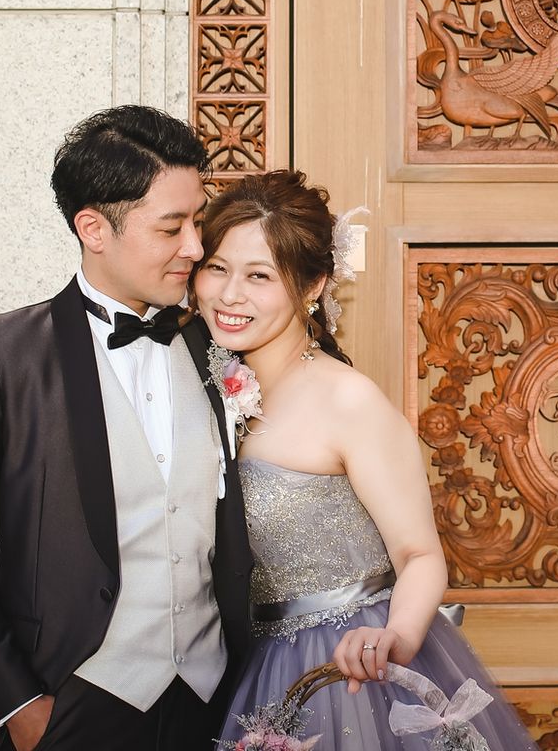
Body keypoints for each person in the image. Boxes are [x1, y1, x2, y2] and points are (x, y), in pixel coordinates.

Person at [0, 106, 253, 751]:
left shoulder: (218, 347)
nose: (194, 247)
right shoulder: (3, 354)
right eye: (171, 227)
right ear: (94, 228)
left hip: (208, 700)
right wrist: (17, 703)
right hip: (66, 698)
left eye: (198, 222)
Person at [196, 170, 536, 748]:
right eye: (217, 268)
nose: (229, 295)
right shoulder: (205, 383)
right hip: (249, 661)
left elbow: (420, 555)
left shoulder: (348, 402)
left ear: (312, 285)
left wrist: (395, 638)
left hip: (349, 666)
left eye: (258, 275)